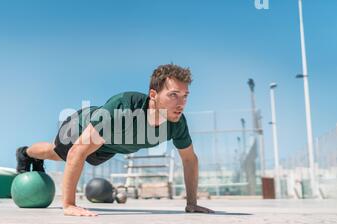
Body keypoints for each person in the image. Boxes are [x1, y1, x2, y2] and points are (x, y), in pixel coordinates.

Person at [16, 63, 214, 216]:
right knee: (57, 153)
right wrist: (68, 205)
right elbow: (78, 151)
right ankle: (25, 153)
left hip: (110, 146)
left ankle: (31, 155)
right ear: (153, 95)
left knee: (70, 157)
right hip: (81, 126)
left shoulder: (176, 122)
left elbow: (190, 160)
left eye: (185, 96)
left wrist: (192, 203)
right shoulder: (124, 107)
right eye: (173, 95)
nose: (181, 103)